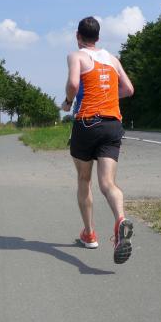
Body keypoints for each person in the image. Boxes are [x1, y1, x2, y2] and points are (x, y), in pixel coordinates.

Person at [61, 16, 135, 264]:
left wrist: (68, 102)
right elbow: (129, 89)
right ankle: (121, 219)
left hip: (87, 123)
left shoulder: (77, 56)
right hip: (113, 124)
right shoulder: (113, 59)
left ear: (78, 36)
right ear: (98, 37)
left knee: (84, 179)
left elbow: (73, 83)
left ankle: (90, 234)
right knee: (108, 183)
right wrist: (108, 96)